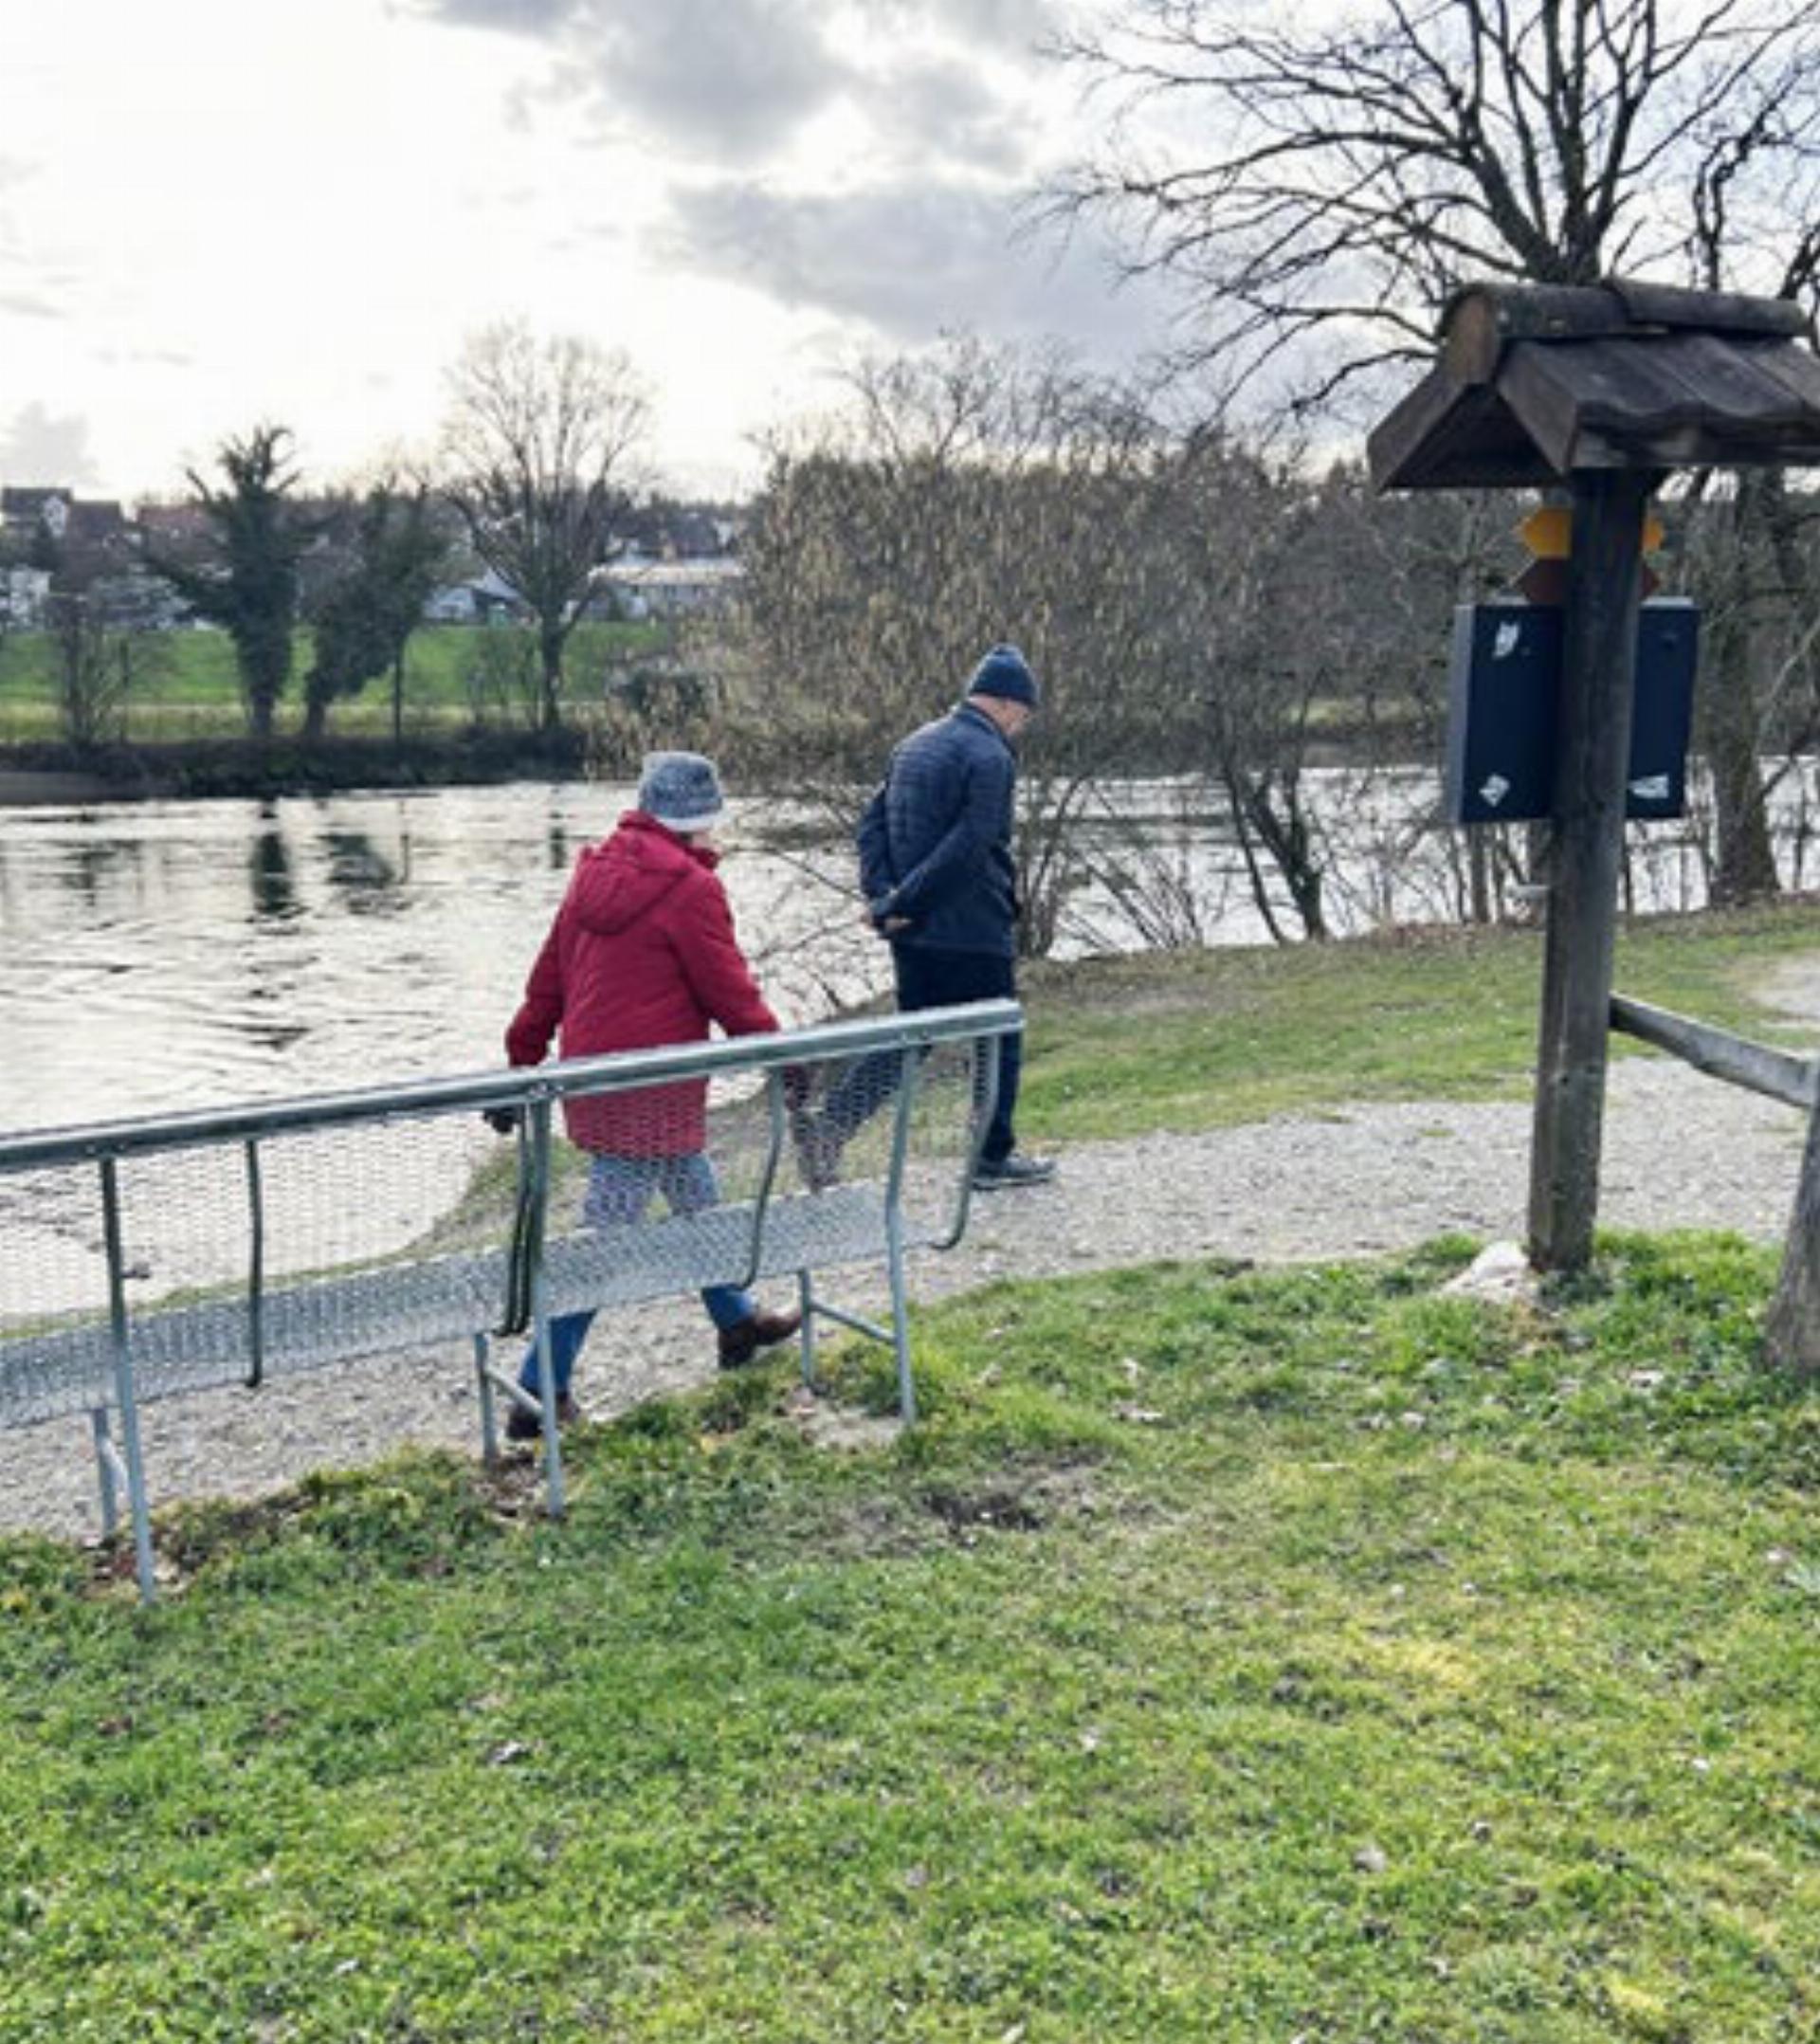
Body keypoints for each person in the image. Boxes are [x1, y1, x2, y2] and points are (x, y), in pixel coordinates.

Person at [496, 751, 801, 1440]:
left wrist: (523, 1054)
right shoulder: (690, 889)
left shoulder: (593, 872)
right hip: (652, 1089)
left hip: (596, 1081)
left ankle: (738, 1322)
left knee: (697, 1199)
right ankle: (538, 1390)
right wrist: (785, 1055)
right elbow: (729, 989)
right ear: (699, 821)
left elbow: (550, 978)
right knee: (604, 1242)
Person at [804, 644, 1055, 1191]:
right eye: (1024, 716)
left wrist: (883, 900)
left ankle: (831, 1128)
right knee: (999, 1037)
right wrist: (900, 903)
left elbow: (871, 826)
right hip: (971, 926)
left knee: (911, 1035)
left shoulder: (914, 745)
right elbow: (971, 846)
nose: (1021, 728)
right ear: (1011, 705)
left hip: (913, 932)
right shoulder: (989, 757)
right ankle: (990, 1157)